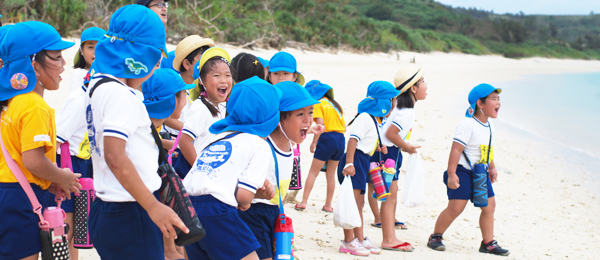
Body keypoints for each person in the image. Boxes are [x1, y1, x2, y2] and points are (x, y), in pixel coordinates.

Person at [84, 5, 187, 259]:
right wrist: (153, 207)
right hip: (130, 210)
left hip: (106, 206)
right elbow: (115, 156)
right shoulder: (122, 95)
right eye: (155, 58)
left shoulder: (97, 85)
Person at [0, 21, 81, 260]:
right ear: (33, 64)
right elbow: (33, 161)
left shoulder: (11, 103)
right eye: (56, 57)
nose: (63, 65)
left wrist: (48, 181)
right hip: (20, 199)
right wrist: (62, 176)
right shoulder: (35, 106)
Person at [182, 76, 278, 260]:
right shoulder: (259, 145)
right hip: (218, 212)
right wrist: (250, 199)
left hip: (188, 208)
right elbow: (242, 197)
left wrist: (252, 194)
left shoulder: (216, 138)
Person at [238, 80, 319, 260]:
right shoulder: (263, 148)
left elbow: (281, 189)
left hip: (274, 213)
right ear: (278, 118)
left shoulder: (290, 149)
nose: (308, 119)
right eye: (300, 114)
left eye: (310, 112)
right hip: (254, 214)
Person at [427, 83, 509, 256]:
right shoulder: (467, 124)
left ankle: (488, 243)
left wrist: (492, 167)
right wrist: (452, 174)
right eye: (493, 99)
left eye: (498, 99)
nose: (498, 103)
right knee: (456, 207)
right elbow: (456, 149)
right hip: (462, 171)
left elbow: (487, 149)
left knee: (489, 206)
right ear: (480, 104)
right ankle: (436, 236)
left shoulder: (489, 125)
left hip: (480, 172)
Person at [337, 81, 400, 256]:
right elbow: (353, 140)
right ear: (384, 101)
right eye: (392, 100)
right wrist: (349, 164)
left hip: (363, 160)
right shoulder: (365, 117)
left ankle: (359, 237)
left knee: (360, 202)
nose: (394, 104)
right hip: (354, 161)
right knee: (353, 202)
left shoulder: (375, 119)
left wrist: (378, 148)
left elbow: (366, 140)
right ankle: (348, 241)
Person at [370, 66, 427, 252]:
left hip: (386, 152)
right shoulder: (407, 112)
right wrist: (407, 147)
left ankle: (390, 236)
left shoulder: (399, 107)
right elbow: (391, 133)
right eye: (423, 82)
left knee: (388, 197)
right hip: (389, 154)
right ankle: (388, 239)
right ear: (413, 88)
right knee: (389, 198)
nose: (426, 85)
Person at [142, 68, 195, 260]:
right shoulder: (145, 132)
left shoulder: (146, 122)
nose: (186, 100)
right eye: (184, 95)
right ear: (174, 99)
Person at [175, 47, 231, 177]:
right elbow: (184, 141)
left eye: (227, 75)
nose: (223, 80)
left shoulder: (224, 106)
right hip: (200, 180)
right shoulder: (201, 108)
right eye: (216, 75)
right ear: (202, 81)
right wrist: (199, 170)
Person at [295, 80, 345, 212]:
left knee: (313, 172)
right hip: (340, 139)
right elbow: (343, 125)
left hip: (327, 138)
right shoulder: (335, 105)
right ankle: (328, 205)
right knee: (330, 174)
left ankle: (304, 201)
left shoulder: (318, 104)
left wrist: (314, 142)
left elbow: (321, 124)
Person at [163, 35, 215, 138]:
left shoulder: (206, 86)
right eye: (202, 62)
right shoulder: (172, 85)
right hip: (174, 142)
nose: (207, 67)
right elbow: (165, 117)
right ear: (186, 63)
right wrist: (191, 129)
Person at [70, 27, 105, 93]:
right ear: (81, 51)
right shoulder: (79, 74)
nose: (95, 52)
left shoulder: (110, 73)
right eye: (90, 47)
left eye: (99, 47)